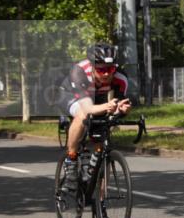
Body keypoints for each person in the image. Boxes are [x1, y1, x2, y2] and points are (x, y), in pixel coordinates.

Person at [57, 44, 133, 192]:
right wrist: (107, 107)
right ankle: (71, 159)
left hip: (97, 98)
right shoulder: (79, 72)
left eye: (110, 69)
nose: (106, 74)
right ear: (92, 66)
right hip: (70, 95)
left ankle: (100, 203)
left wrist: (122, 110)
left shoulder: (120, 78)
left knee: (104, 138)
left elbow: (116, 106)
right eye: (101, 69)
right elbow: (88, 108)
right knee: (82, 115)